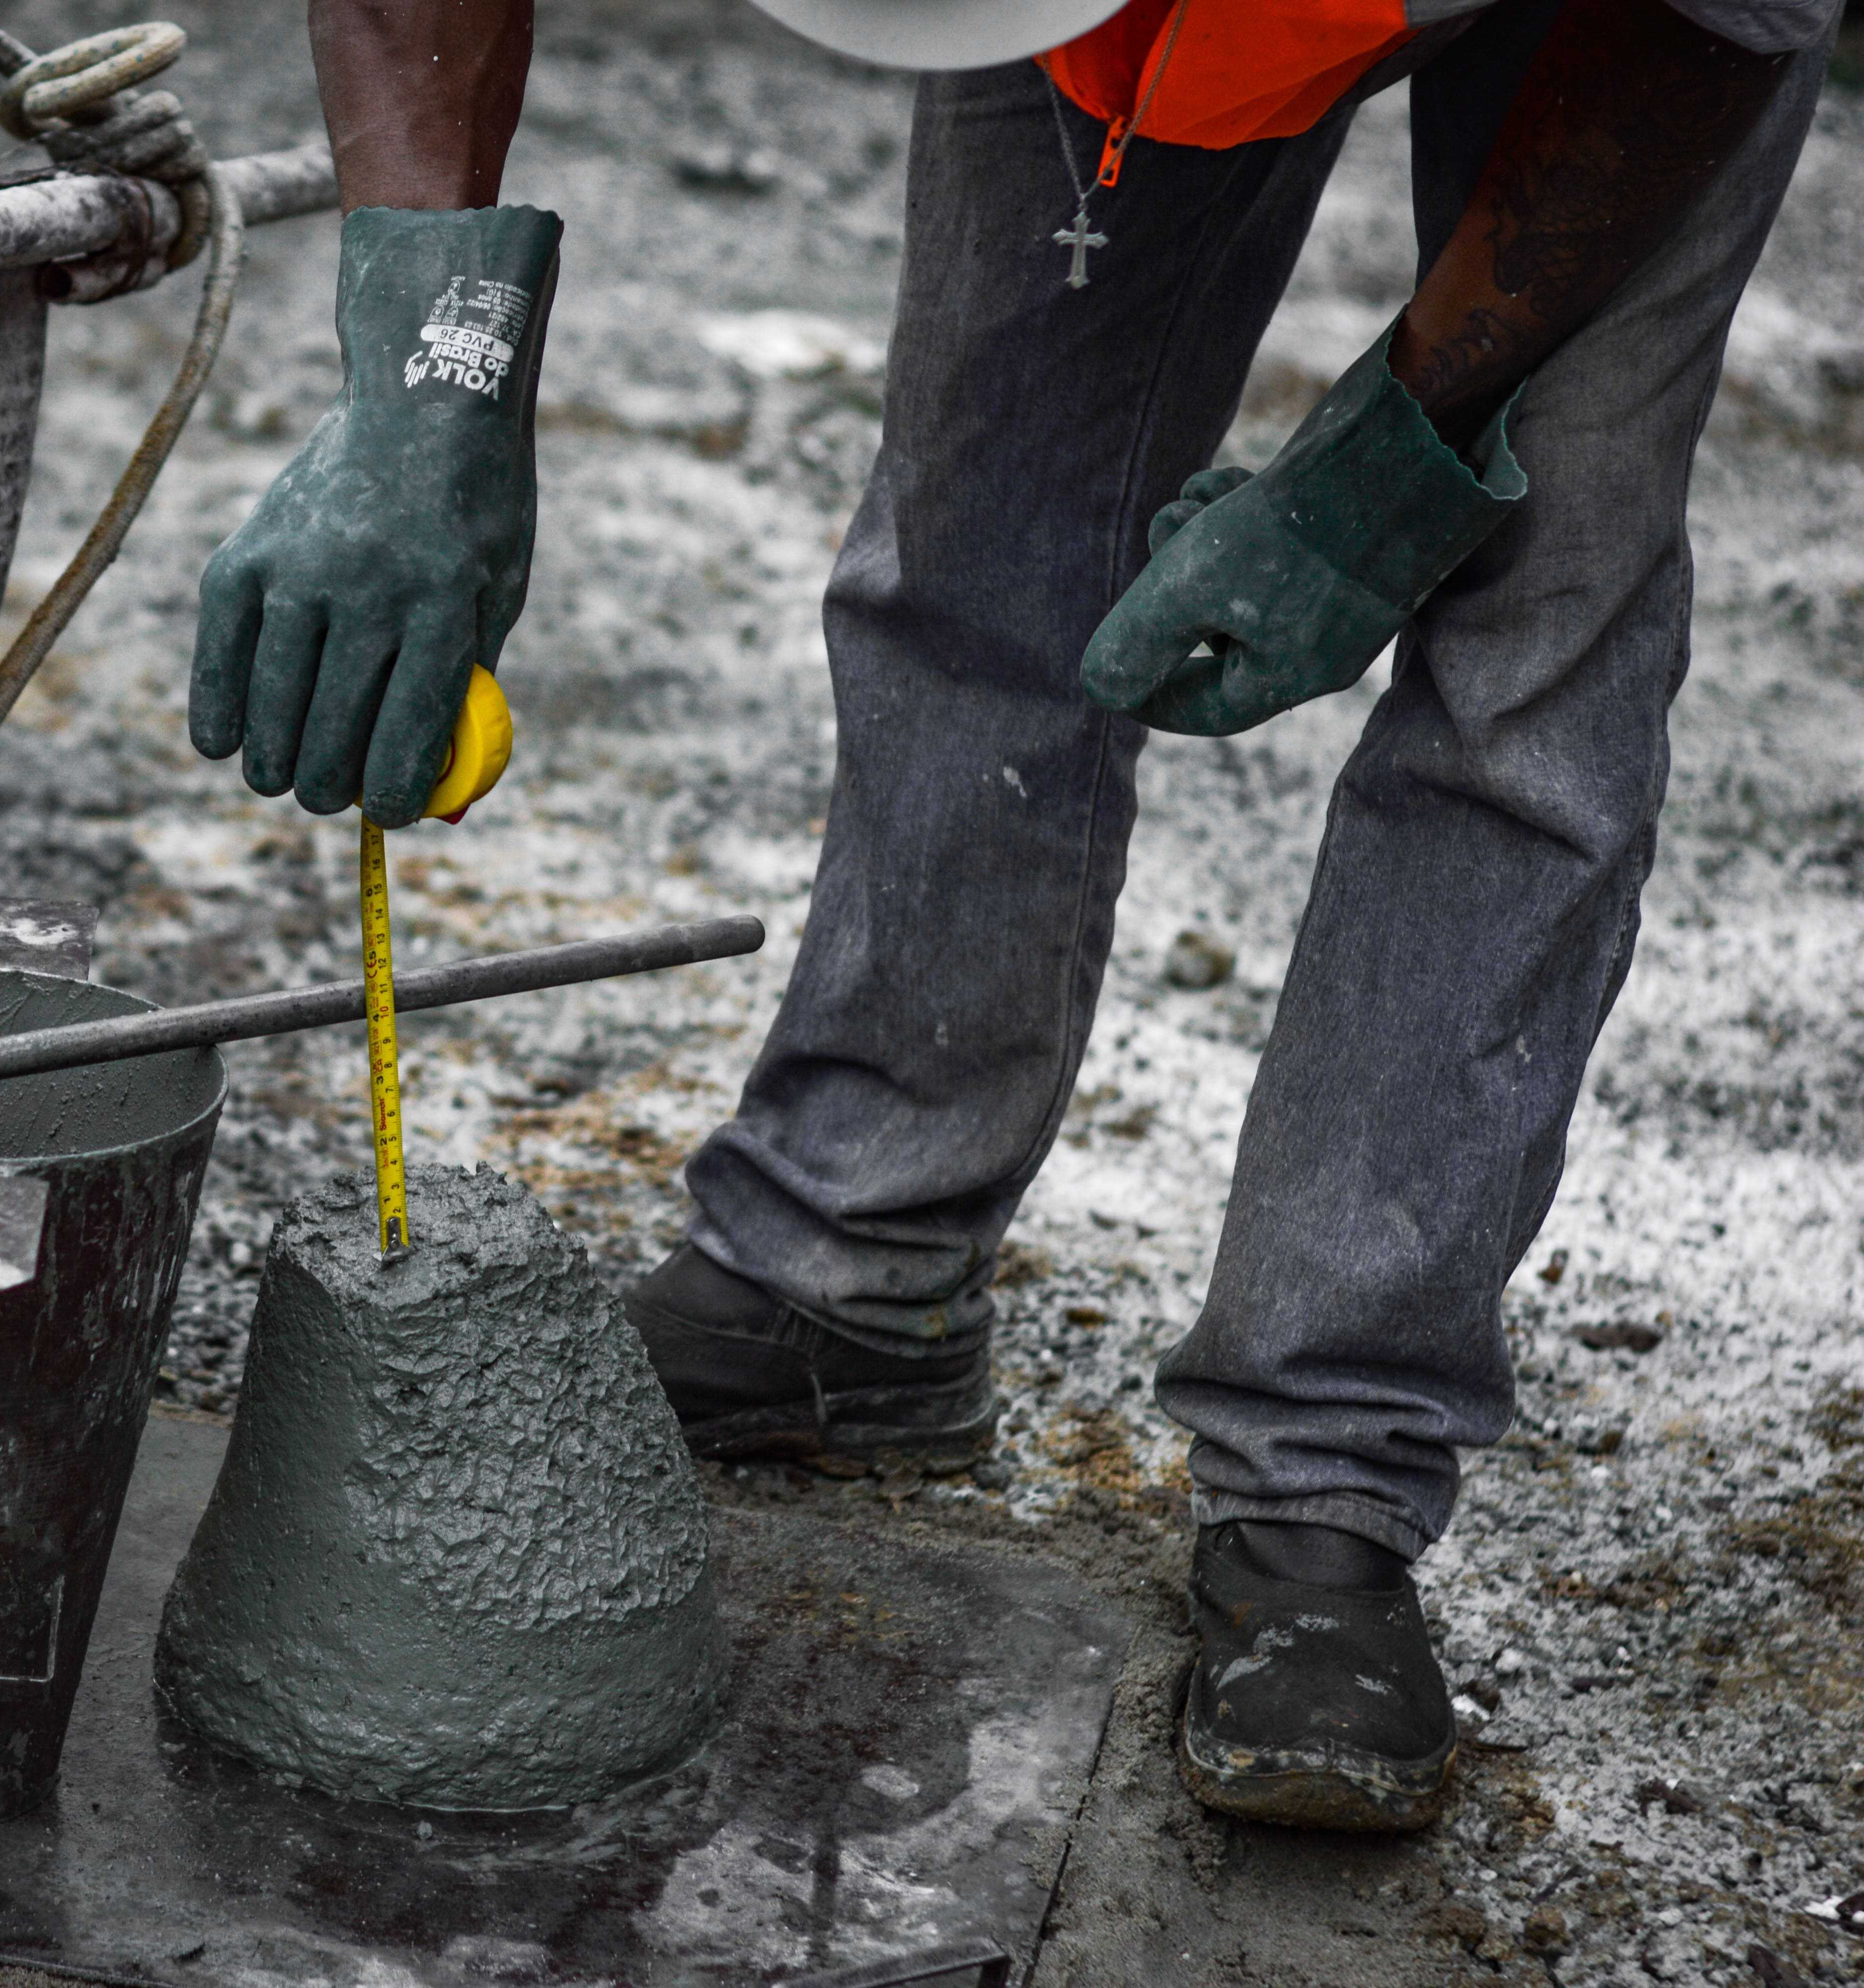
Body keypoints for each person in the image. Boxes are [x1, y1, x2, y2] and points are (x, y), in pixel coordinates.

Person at [185, 0, 1831, 1831]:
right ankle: (850, 1265)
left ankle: (1330, 1472)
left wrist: (1405, 444)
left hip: (1640, 35)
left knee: (1541, 590)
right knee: (992, 495)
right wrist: (434, 370)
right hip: (1078, 40)